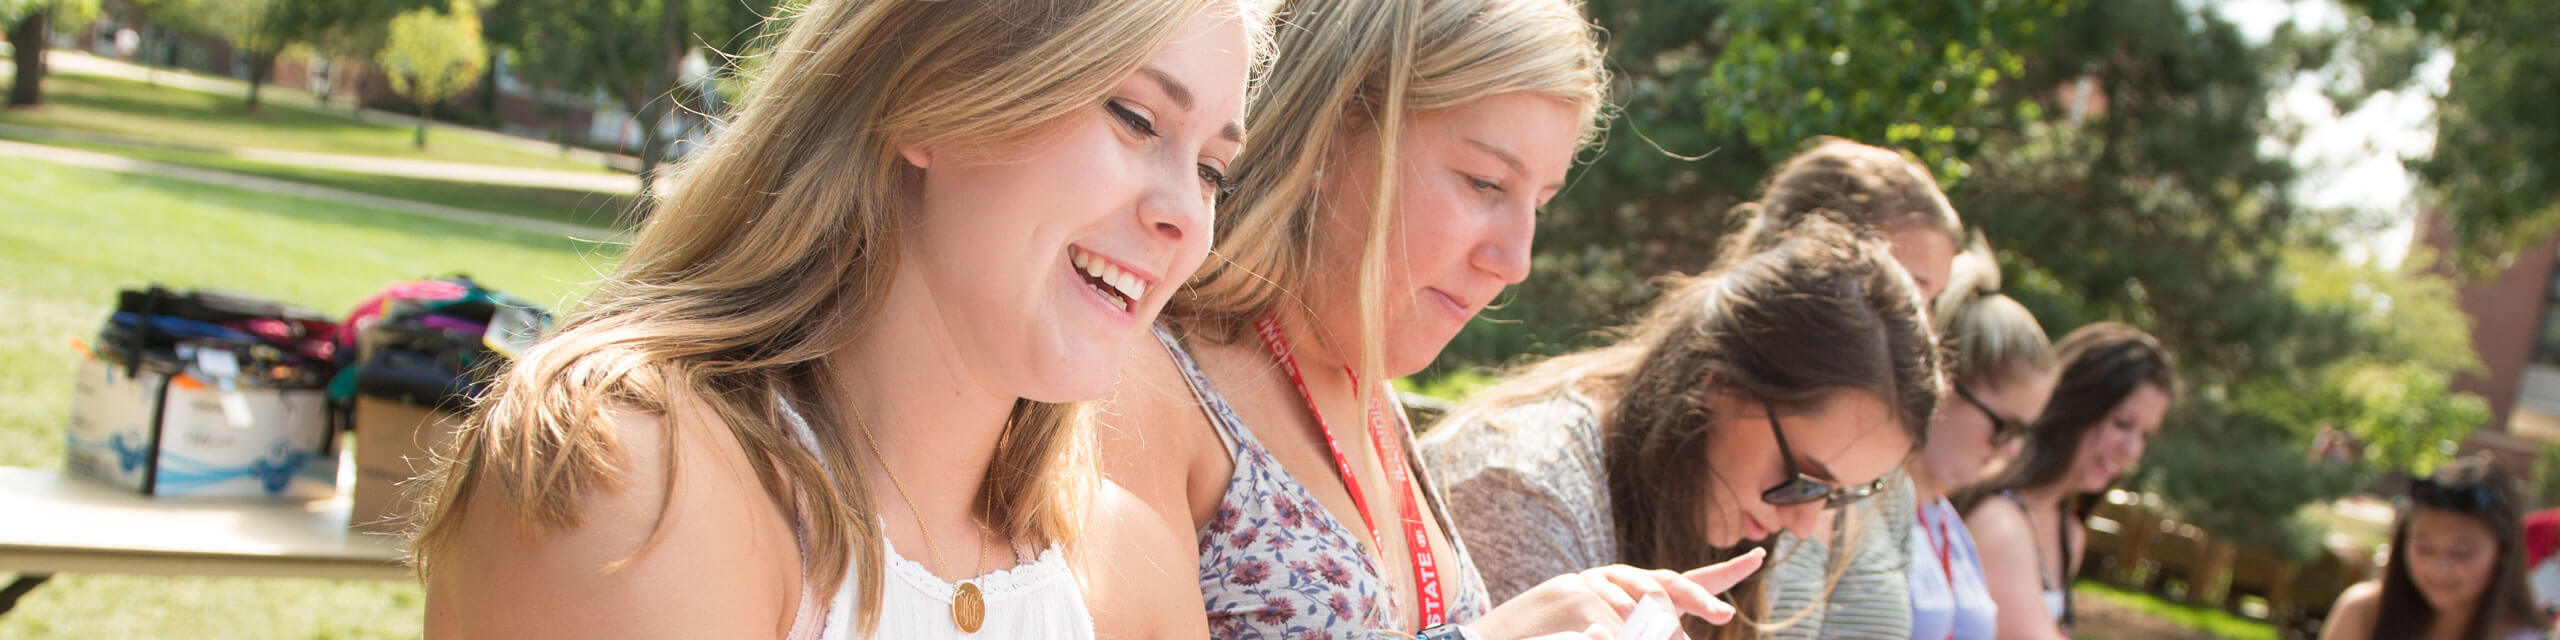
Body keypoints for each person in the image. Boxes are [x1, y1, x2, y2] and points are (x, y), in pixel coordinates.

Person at [408, 0, 1262, 637]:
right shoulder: (643, 481)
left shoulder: (1130, 570)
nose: (1187, 215)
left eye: (1215, 170)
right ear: (934, 95)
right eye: (1137, 118)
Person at [1098, 0, 1764, 637]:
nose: (1517, 259)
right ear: (1334, 129)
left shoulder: (1368, 388)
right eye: (1485, 184)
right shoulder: (1146, 379)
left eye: (1541, 203)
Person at [1423, 218, 1944, 639]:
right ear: (1717, 382)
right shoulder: (1523, 492)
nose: (1804, 525)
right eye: (1803, 479)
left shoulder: (1738, 505)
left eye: (1835, 496)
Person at [1731, 137, 1965, 640]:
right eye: (1908, 285)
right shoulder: (1724, 453)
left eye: (1932, 299)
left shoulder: (1888, 483)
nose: (1924, 326)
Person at [1953, 322, 2178, 640]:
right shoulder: (2000, 521)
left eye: (2144, 435)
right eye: (2122, 423)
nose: (2132, 451)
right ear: (2075, 406)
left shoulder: (2068, 532)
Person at [1903, 246, 2057, 640]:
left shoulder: (1949, 524)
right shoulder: (1865, 505)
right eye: (2005, 426)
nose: (2011, 451)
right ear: (1945, 382)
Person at [2321, 457, 2550, 640]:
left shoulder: (2526, 636)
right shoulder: (2363, 613)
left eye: (2462, 553)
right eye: (2424, 548)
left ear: (2503, 551)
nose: (2439, 568)